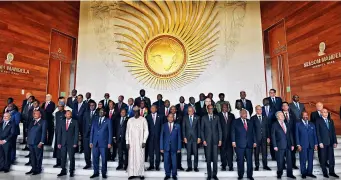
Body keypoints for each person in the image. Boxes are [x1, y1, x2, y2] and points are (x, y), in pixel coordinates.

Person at [232, 109, 256, 180]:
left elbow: (253, 132)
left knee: (249, 161)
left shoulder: (250, 121)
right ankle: (240, 175)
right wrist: (233, 141)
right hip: (239, 144)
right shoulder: (235, 121)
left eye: (246, 113)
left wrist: (254, 142)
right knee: (240, 160)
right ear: (240, 114)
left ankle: (249, 175)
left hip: (249, 144)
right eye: (244, 113)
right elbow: (233, 132)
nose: (245, 115)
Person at [126, 106, 149, 179]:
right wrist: (127, 142)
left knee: (140, 157)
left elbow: (146, 131)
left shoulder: (143, 119)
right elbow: (127, 132)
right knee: (131, 158)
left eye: (137, 111)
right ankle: (132, 174)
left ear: (139, 111)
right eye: (134, 111)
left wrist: (144, 141)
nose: (135, 112)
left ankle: (141, 174)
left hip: (140, 142)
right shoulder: (130, 120)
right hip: (131, 142)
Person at [271, 111, 296, 179]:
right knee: (280, 160)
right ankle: (279, 173)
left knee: (289, 160)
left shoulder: (286, 123)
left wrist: (292, 144)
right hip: (279, 145)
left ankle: (290, 174)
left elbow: (290, 134)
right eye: (281, 115)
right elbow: (273, 135)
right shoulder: (274, 124)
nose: (283, 116)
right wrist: (275, 145)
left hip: (288, 145)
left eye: (283, 115)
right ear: (277, 117)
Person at [90, 108, 112, 179]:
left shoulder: (108, 120)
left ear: (105, 113)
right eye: (100, 112)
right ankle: (95, 172)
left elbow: (110, 133)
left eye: (102, 112)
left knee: (104, 159)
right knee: (95, 159)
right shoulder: (95, 120)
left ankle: (103, 173)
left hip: (104, 143)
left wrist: (109, 142)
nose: (101, 113)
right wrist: (91, 141)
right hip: (95, 142)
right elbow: (92, 132)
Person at [316, 109, 339, 178]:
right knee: (323, 158)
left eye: (326, 112)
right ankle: (325, 173)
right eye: (324, 112)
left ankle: (332, 172)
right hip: (323, 143)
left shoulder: (330, 120)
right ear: (321, 113)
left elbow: (333, 132)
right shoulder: (318, 121)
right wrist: (320, 142)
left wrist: (335, 141)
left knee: (331, 158)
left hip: (331, 143)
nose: (325, 113)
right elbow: (318, 132)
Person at [201, 105, 222, 180]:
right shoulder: (204, 118)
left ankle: (214, 174)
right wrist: (203, 140)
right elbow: (202, 130)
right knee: (208, 159)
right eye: (209, 109)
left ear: (213, 109)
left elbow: (219, 129)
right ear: (207, 109)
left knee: (215, 159)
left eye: (211, 108)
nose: (210, 110)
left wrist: (220, 139)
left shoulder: (217, 117)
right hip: (207, 141)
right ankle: (209, 174)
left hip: (216, 141)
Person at [295, 111, 318, 179]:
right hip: (302, 145)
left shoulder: (312, 124)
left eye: (306, 115)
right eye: (304, 115)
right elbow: (297, 135)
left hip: (311, 145)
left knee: (310, 160)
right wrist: (298, 145)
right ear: (301, 116)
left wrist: (316, 144)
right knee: (303, 160)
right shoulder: (298, 124)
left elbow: (315, 135)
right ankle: (304, 173)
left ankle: (310, 172)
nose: (305, 116)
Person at [57, 110, 78, 177]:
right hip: (63, 143)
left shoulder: (75, 122)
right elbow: (59, 133)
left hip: (71, 143)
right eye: (67, 114)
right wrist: (59, 142)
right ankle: (63, 170)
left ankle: (71, 171)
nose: (68, 115)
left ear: (71, 115)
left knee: (71, 157)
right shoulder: (62, 122)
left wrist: (75, 142)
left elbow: (76, 133)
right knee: (63, 157)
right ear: (65, 115)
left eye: (69, 114)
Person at [161, 114, 182, 180]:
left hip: (174, 147)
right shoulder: (164, 126)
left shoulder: (177, 126)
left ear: (173, 118)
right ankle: (167, 174)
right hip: (166, 146)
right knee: (166, 161)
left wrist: (179, 147)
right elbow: (161, 137)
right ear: (167, 118)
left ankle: (174, 174)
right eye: (169, 117)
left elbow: (179, 137)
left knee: (174, 161)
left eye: (172, 117)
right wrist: (161, 147)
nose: (170, 118)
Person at [26, 110, 47, 175]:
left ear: (40, 115)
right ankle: (33, 168)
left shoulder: (43, 122)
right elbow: (29, 131)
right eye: (34, 113)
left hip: (38, 142)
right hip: (31, 142)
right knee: (32, 157)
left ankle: (38, 169)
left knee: (38, 157)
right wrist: (28, 140)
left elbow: (44, 133)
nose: (34, 115)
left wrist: (41, 142)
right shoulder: (32, 122)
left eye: (36, 114)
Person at [252, 105, 271, 171]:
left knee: (264, 152)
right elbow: (252, 130)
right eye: (258, 109)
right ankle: (257, 165)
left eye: (260, 109)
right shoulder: (253, 118)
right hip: (256, 138)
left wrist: (268, 137)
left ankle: (265, 165)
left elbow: (267, 128)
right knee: (256, 152)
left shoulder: (265, 117)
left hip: (264, 137)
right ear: (256, 110)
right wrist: (254, 140)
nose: (259, 110)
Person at [182, 106, 200, 172]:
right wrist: (184, 137)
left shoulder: (197, 117)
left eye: (191, 110)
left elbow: (199, 128)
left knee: (196, 153)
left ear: (193, 111)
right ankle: (189, 167)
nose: (190, 112)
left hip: (195, 138)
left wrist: (199, 137)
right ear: (187, 111)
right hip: (187, 138)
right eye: (189, 111)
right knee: (188, 154)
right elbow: (183, 128)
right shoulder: (185, 118)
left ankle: (195, 167)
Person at [218, 103, 235, 171]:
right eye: (224, 107)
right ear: (221, 108)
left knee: (230, 152)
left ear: (228, 108)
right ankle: (224, 165)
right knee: (222, 152)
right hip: (221, 138)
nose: (225, 108)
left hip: (230, 137)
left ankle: (230, 165)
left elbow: (234, 127)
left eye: (226, 107)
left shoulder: (232, 115)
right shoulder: (218, 115)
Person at [282, 102, 298, 169]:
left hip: (292, 136)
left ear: (288, 107)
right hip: (283, 136)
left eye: (286, 105)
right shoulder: (279, 114)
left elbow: (295, 124)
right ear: (282, 107)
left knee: (292, 151)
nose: (285, 107)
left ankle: (293, 164)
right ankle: (283, 165)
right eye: (284, 106)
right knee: (283, 151)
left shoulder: (292, 114)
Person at [146, 105, 163, 171]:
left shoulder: (161, 116)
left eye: (153, 108)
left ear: (156, 109)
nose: (152, 109)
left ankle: (157, 166)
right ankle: (151, 165)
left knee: (158, 152)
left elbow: (162, 127)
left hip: (158, 138)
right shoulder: (148, 117)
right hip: (150, 138)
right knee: (150, 152)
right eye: (151, 108)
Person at [82, 100, 97, 169]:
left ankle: (95, 164)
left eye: (93, 105)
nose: (91, 107)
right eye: (90, 105)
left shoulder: (98, 113)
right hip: (86, 135)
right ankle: (88, 163)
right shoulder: (86, 113)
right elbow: (83, 123)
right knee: (86, 151)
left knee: (95, 151)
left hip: (95, 135)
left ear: (95, 106)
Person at [170, 106, 184, 171]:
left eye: (174, 109)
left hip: (178, 137)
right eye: (171, 109)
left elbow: (182, 126)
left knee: (178, 152)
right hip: (170, 138)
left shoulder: (180, 116)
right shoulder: (167, 117)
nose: (173, 110)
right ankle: (171, 165)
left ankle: (179, 165)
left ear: (176, 110)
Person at [53, 102, 66, 168]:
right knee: (57, 147)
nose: (59, 107)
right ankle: (58, 162)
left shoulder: (66, 113)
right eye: (58, 106)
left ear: (63, 106)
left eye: (60, 106)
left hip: (64, 132)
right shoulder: (56, 113)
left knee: (62, 147)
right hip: (58, 132)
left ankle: (62, 163)